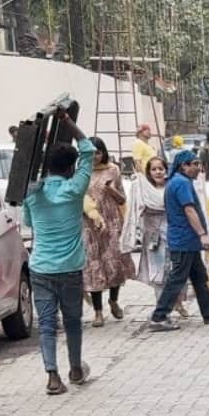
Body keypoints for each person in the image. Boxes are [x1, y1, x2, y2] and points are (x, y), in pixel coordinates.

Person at [21, 111, 97, 395]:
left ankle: (52, 376)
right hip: (70, 268)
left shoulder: (32, 192)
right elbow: (88, 148)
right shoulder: (75, 189)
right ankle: (75, 367)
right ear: (70, 168)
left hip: (40, 267)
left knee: (48, 324)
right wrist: (67, 123)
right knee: (73, 321)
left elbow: (28, 223)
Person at [148, 150, 209, 330]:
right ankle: (159, 316)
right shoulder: (181, 184)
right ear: (184, 166)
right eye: (194, 164)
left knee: (199, 277)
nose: (197, 168)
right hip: (184, 239)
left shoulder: (178, 182)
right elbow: (189, 210)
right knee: (177, 279)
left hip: (187, 240)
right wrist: (203, 234)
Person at [81, 138, 133, 326]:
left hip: (111, 223)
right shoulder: (81, 172)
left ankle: (114, 299)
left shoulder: (113, 170)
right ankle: (98, 311)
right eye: (91, 153)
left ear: (103, 152)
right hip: (89, 223)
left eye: (98, 152)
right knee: (94, 265)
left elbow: (122, 199)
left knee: (113, 263)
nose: (95, 157)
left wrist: (110, 190)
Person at [126, 155, 177, 312]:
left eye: (160, 169)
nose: (157, 172)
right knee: (158, 272)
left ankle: (177, 303)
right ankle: (160, 306)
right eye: (154, 169)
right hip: (153, 238)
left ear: (166, 170)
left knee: (174, 270)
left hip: (171, 234)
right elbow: (136, 210)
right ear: (149, 172)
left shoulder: (172, 187)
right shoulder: (144, 190)